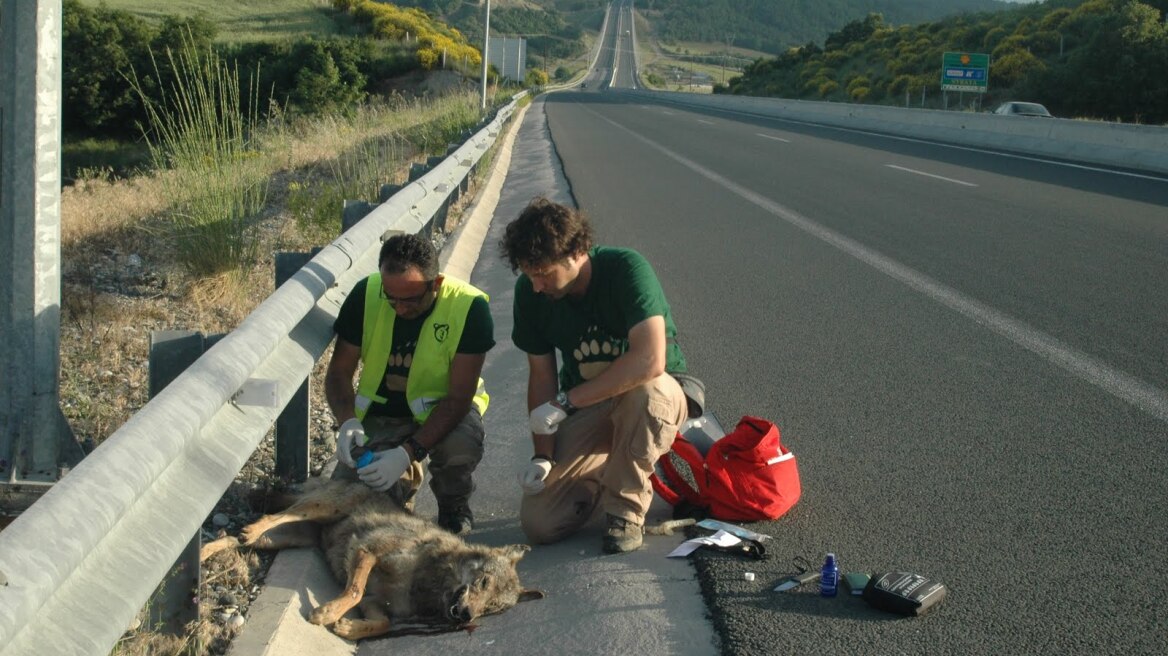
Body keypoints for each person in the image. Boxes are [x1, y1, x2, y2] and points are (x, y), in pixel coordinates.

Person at [499, 197, 690, 554]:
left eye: (542, 272)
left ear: (578, 250)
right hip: (589, 405)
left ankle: (624, 511)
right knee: (540, 523)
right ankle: (605, 471)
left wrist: (565, 402)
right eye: (528, 273)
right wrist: (543, 455)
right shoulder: (531, 293)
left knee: (645, 391)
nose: (536, 285)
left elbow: (650, 359)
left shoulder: (626, 268)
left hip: (656, 396)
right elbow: (541, 376)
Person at [325, 233, 494, 535]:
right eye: (392, 298)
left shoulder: (469, 308)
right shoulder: (366, 294)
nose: (400, 308)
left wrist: (407, 452)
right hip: (384, 414)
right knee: (353, 500)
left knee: (459, 447)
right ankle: (403, 482)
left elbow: (458, 399)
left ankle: (453, 505)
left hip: (445, 411)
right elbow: (339, 372)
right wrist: (348, 421)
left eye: (411, 300)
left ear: (436, 284)